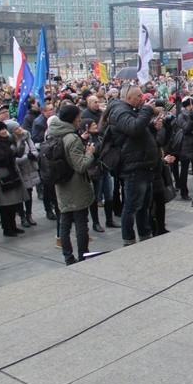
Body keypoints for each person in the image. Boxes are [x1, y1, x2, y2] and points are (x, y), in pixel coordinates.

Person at [105, 84, 158, 246]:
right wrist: (147, 111)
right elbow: (134, 128)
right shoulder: (120, 111)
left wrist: (151, 126)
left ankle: (144, 234)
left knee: (144, 205)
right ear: (129, 98)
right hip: (134, 167)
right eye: (138, 96)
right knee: (132, 206)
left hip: (143, 164)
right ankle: (129, 240)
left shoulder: (129, 110)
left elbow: (135, 132)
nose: (142, 98)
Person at [49, 105, 96, 265]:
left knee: (65, 222)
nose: (80, 120)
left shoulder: (54, 133)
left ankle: (68, 257)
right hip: (75, 186)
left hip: (61, 184)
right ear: (74, 118)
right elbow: (81, 165)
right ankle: (83, 255)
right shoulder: (71, 137)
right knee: (81, 223)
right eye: (79, 117)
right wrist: (89, 153)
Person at [0, 121, 30, 237]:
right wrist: (11, 150)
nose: (4, 131)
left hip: (12, 171)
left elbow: (17, 154)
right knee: (6, 203)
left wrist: (20, 143)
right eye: (1, 129)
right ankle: (7, 228)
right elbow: (0, 158)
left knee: (14, 202)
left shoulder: (8, 140)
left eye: (4, 129)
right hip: (3, 173)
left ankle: (13, 225)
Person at [172, 96, 193, 200]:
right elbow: (186, 129)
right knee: (184, 169)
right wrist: (191, 121)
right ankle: (184, 192)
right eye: (192, 105)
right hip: (185, 146)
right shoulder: (181, 116)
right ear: (187, 106)